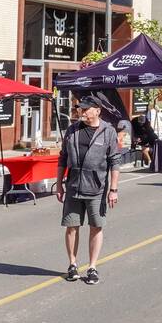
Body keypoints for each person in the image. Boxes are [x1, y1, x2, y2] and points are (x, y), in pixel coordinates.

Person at [58, 96, 122, 285]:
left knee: (96, 226)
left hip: (96, 187)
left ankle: (92, 266)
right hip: (73, 186)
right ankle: (72, 264)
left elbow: (114, 161)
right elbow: (63, 158)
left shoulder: (108, 131)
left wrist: (114, 189)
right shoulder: (72, 131)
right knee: (71, 226)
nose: (82, 112)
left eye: (86, 109)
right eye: (80, 109)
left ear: (97, 110)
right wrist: (59, 184)